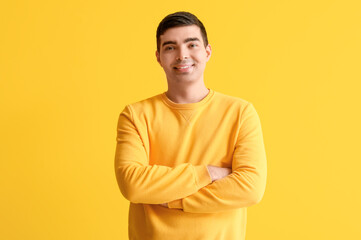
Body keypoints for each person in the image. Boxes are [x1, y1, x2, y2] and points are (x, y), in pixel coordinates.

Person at [114, 11, 267, 240]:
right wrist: (208, 173)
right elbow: (133, 185)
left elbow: (250, 188)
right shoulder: (135, 115)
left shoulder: (240, 113)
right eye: (170, 47)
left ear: (207, 52)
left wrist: (173, 200)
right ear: (158, 57)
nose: (182, 55)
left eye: (191, 45)